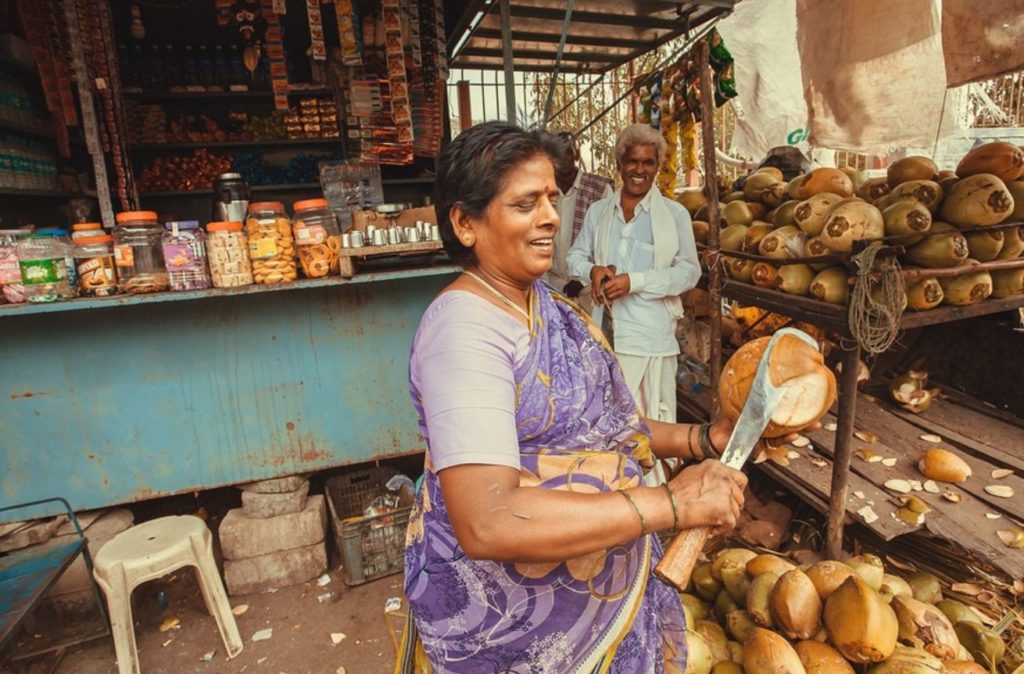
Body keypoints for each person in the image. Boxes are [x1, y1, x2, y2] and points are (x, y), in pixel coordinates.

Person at [397, 121, 748, 673]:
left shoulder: (547, 305)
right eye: (525, 203)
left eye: (552, 199)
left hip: (594, 606)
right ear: (466, 223)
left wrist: (700, 438)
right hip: (518, 633)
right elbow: (490, 519)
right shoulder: (464, 331)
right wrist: (671, 504)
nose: (550, 218)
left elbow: (607, 427)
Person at [566, 124, 702, 473]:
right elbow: (574, 257)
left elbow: (689, 273)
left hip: (651, 338)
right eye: (632, 161)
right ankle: (616, 499)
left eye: (648, 162)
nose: (639, 170)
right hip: (605, 337)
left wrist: (635, 281)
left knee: (652, 422)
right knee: (608, 424)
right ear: (619, 163)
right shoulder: (599, 212)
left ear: (658, 166)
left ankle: (657, 502)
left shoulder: (674, 215)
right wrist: (593, 270)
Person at [545, 131, 613, 300]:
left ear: (576, 154)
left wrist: (582, 279)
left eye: (568, 152)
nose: (563, 158)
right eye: (558, 154)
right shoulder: (545, 192)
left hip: (589, 286)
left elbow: (611, 241)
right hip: (551, 283)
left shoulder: (600, 189)